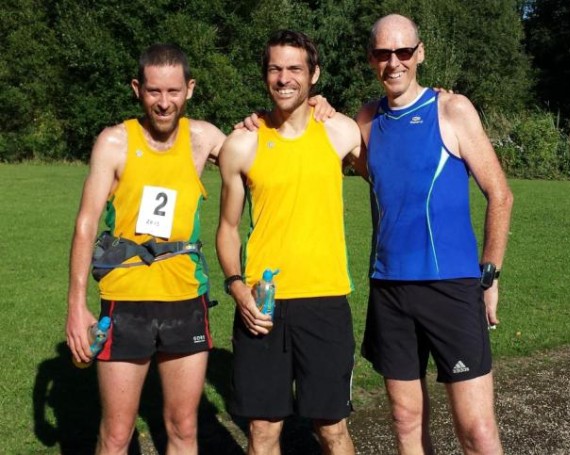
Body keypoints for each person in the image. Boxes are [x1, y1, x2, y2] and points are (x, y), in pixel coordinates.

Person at [356, 14, 513, 455]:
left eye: (403, 51)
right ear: (371, 59)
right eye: (383, 54)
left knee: (477, 431)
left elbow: (500, 195)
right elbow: (319, 139)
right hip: (389, 288)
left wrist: (490, 275)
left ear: (419, 53)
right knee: (406, 421)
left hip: (451, 288)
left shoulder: (452, 109)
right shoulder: (367, 119)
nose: (394, 63)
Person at [65, 43, 226, 454]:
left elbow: (259, 162)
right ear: (137, 88)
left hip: (185, 299)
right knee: (117, 434)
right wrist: (75, 304)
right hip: (125, 300)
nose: (164, 102)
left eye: (173, 91)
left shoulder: (204, 138)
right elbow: (85, 223)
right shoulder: (114, 142)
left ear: (189, 88)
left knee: (183, 428)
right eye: (154, 91)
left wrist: (309, 108)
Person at [216, 30, 362, 455]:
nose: (284, 78)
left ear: (313, 74)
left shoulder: (341, 133)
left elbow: (389, 155)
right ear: (265, 76)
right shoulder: (242, 143)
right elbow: (227, 228)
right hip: (263, 305)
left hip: (326, 301)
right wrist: (237, 287)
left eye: (295, 68)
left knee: (331, 429)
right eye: (275, 69)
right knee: (263, 431)